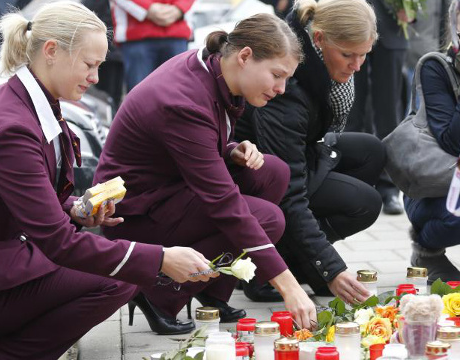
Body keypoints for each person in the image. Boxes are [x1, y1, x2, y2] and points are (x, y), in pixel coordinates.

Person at [0, 2, 218, 358]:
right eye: (89, 65)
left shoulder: (31, 101)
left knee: (119, 270)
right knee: (121, 276)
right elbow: (58, 242)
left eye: (98, 66)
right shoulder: (13, 126)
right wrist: (160, 258)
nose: (95, 77)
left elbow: (23, 201)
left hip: (5, 259)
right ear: (51, 52)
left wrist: (75, 210)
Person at [94, 13, 318, 332]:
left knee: (272, 172)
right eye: (277, 75)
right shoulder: (183, 99)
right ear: (245, 57)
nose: (281, 89)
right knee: (267, 219)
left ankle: (211, 289)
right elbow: (223, 204)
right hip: (133, 216)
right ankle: (159, 289)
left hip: (169, 190)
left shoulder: (212, 67)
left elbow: (189, 146)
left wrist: (230, 149)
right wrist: (290, 287)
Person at [235, 0, 385, 304]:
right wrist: (329, 268)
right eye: (347, 55)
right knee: (364, 202)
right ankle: (266, 270)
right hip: (250, 173)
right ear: (319, 39)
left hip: (293, 149)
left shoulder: (316, 62)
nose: (356, 66)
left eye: (363, 55)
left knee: (371, 151)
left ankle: (301, 260)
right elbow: (289, 194)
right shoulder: (287, 87)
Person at [405, 0, 460, 284]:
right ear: (456, 23)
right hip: (437, 187)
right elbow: (451, 141)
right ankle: (427, 251)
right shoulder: (436, 67)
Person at [345, 0, 414, 215]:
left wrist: (412, 9)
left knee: (389, 114)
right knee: (351, 109)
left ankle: (389, 188)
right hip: (349, 23)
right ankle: (352, 182)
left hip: (391, 26)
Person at [109, 0, 194, 91]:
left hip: (174, 34)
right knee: (140, 95)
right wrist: (148, 8)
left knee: (178, 94)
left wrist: (179, 9)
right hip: (137, 36)